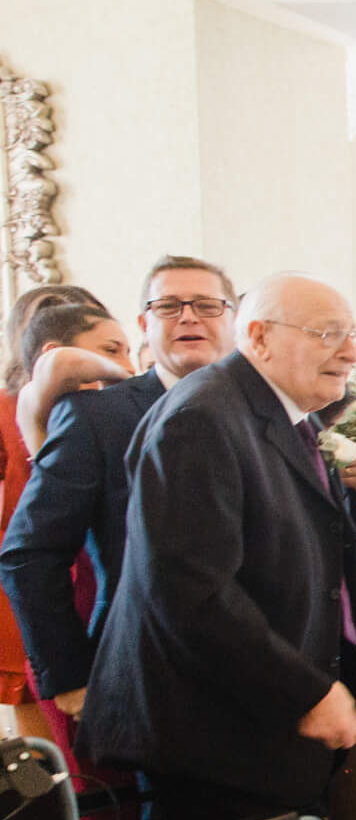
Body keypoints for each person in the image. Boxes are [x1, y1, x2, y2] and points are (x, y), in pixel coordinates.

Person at [78, 274, 356, 820]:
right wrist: (308, 692)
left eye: (353, 334)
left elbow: (338, 546)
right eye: (328, 334)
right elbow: (191, 592)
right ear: (260, 337)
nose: (350, 352)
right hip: (210, 732)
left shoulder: (279, 413)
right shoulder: (201, 418)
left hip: (250, 725)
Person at [1, 258, 238, 753]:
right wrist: (67, 678)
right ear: (144, 324)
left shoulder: (268, 412)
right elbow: (30, 552)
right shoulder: (97, 417)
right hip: (147, 676)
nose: (189, 317)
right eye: (169, 306)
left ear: (233, 319)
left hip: (261, 680)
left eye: (207, 305)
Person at [0, 285, 117, 743]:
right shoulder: (19, 404)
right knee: (37, 721)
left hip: (89, 565)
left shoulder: (109, 406)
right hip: (30, 564)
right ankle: (53, 807)